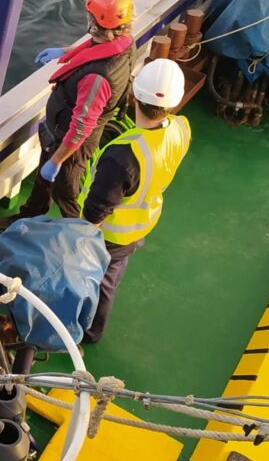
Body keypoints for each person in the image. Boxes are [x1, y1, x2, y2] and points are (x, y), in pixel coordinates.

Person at [0, 0, 135, 233]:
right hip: (58, 133)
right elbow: (96, 50)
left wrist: (57, 161)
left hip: (70, 146)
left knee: (66, 192)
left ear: (95, 22)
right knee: (42, 181)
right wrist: (66, 53)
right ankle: (31, 214)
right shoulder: (122, 42)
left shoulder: (97, 79)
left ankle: (80, 236)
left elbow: (82, 126)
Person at [78, 58, 191, 343]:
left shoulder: (123, 156)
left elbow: (97, 209)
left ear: (132, 96)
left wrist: (77, 235)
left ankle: (89, 331)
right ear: (173, 104)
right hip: (142, 223)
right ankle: (93, 327)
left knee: (98, 282)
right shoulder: (180, 128)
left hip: (110, 236)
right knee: (112, 277)